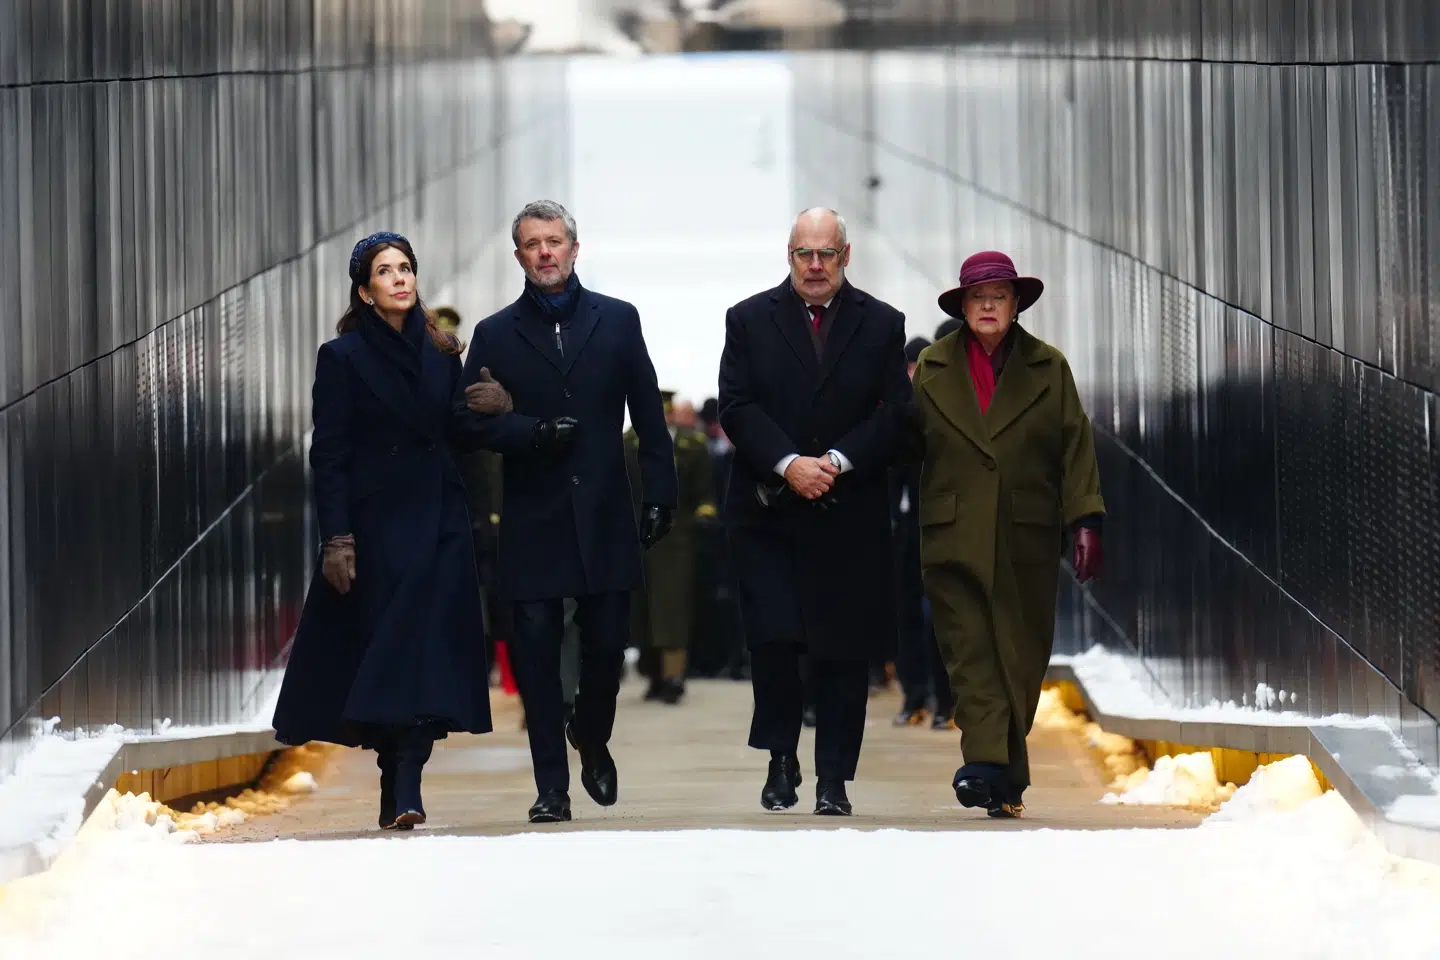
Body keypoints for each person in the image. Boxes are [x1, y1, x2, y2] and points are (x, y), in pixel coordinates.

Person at [272, 233, 511, 830]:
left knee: (429, 658)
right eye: (386, 271)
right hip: (378, 530)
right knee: (387, 659)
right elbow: (328, 455)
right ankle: (394, 775)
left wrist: (496, 406)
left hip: (439, 524)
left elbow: (457, 430)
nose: (401, 278)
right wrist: (338, 538)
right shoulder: (342, 358)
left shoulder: (441, 352)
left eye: (406, 268)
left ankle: (407, 782)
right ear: (365, 290)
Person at [458, 200, 678, 823]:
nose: (546, 252)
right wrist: (529, 431)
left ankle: (595, 733)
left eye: (555, 241)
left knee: (608, 645)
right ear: (520, 255)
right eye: (533, 243)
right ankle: (551, 785)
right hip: (533, 514)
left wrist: (661, 493)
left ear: (575, 249)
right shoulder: (496, 333)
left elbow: (648, 414)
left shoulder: (618, 319)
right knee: (535, 654)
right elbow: (468, 424)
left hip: (607, 509)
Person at [718, 207, 914, 816]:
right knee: (775, 642)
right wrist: (788, 463)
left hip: (846, 511)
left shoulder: (882, 324)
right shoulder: (749, 319)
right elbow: (737, 405)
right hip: (769, 510)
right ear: (789, 255)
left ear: (845, 256)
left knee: (842, 652)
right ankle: (781, 758)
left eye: (827, 253)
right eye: (805, 252)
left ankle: (834, 779)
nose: (815, 264)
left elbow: (895, 414)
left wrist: (834, 460)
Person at [914, 250, 1105, 818]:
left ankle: (1005, 776)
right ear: (963, 306)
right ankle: (981, 766)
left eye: (999, 295)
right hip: (953, 533)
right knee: (971, 652)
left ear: (1016, 304)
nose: (989, 304)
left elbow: (1076, 447)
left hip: (1026, 533)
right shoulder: (932, 368)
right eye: (978, 296)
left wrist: (1086, 519)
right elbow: (906, 442)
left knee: (1021, 659)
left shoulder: (1050, 368)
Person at [891, 336, 955, 730]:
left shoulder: (943, 409)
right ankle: (914, 696)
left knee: (939, 615)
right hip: (904, 529)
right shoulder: (899, 410)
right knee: (906, 614)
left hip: (938, 524)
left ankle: (945, 701)